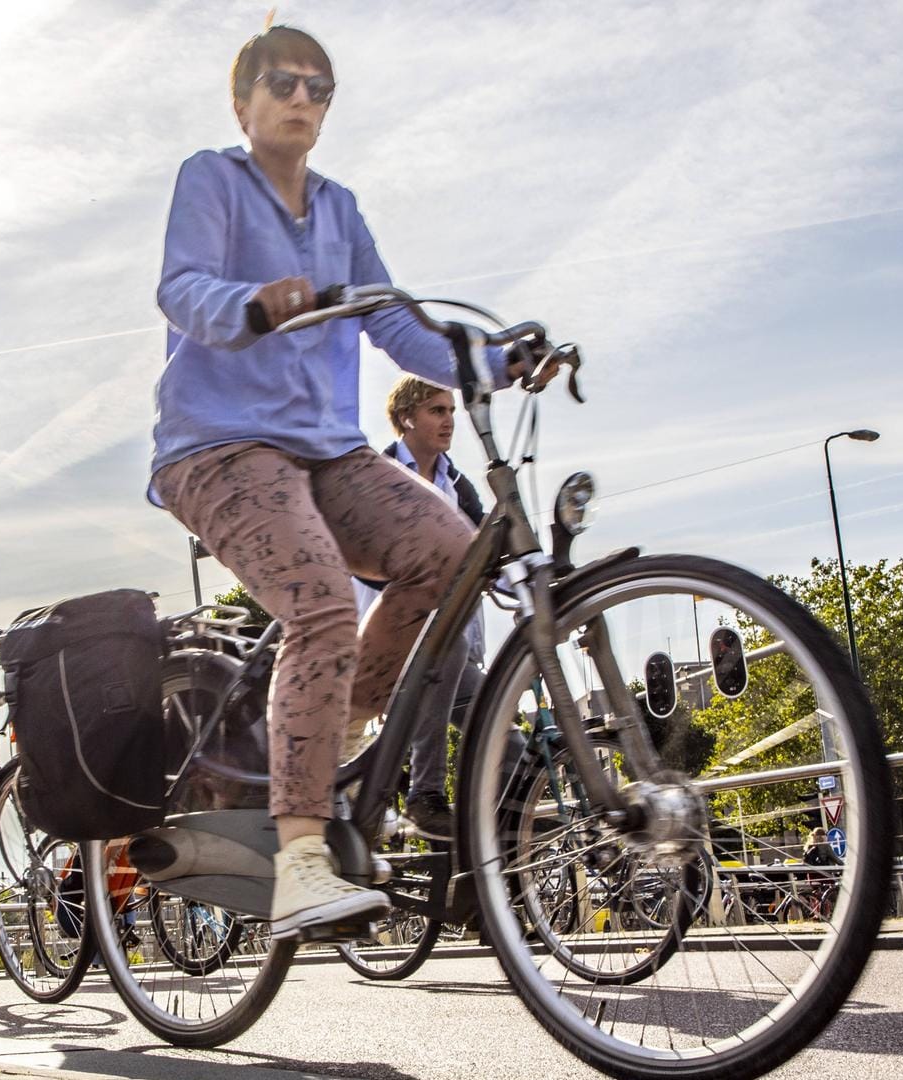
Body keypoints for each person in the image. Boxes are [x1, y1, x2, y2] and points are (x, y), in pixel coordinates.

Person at [150, 24, 550, 939]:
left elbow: (400, 327)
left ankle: (338, 736)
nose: (302, 100)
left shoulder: (339, 209)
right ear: (243, 100)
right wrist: (252, 304)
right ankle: (298, 860)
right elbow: (181, 287)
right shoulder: (211, 178)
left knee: (453, 555)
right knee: (324, 600)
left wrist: (491, 357)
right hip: (217, 447)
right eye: (283, 84)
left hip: (324, 450)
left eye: (319, 89)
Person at [351, 376, 490, 840]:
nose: (449, 421)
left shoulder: (459, 487)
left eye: (451, 411)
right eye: (437, 410)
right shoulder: (380, 475)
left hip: (453, 648)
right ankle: (424, 795)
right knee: (442, 644)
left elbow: (492, 558)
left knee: (502, 736)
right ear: (406, 417)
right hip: (389, 640)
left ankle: (486, 871)